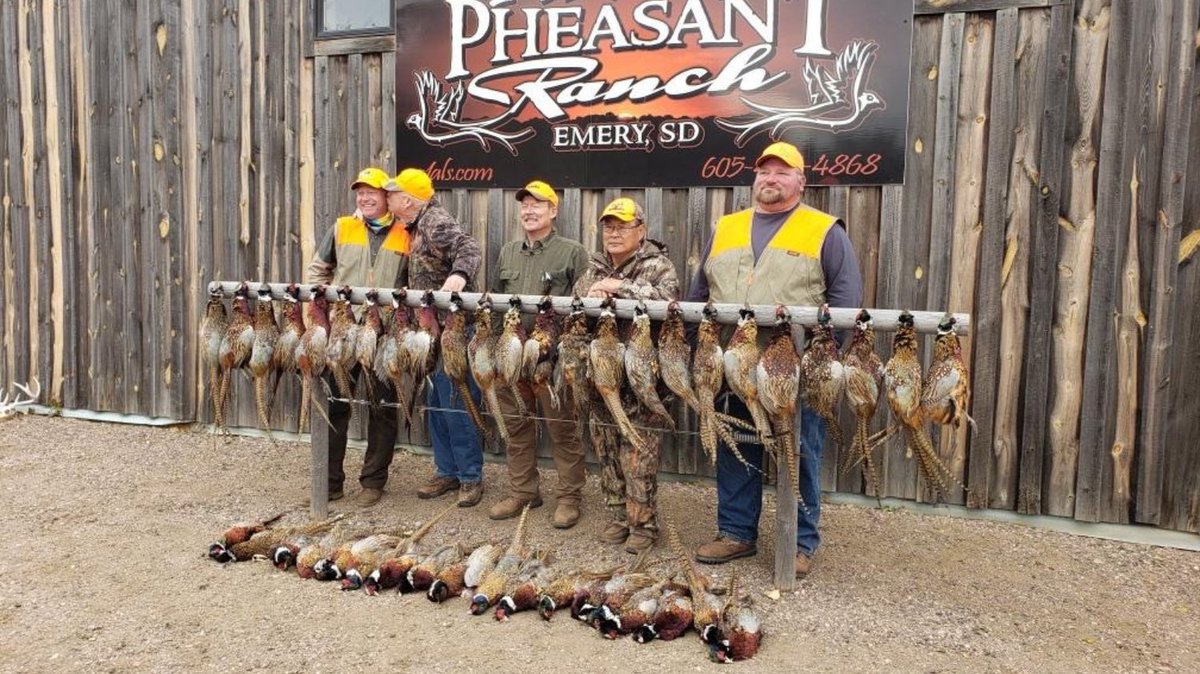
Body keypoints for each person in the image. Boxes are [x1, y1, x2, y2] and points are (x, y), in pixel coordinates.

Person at [688, 141, 863, 578]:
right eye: (764, 171)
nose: (771, 178)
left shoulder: (824, 230)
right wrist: (697, 350)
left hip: (795, 367)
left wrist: (826, 361)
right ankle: (736, 532)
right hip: (734, 363)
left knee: (800, 452)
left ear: (801, 181)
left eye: (782, 172)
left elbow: (846, 300)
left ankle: (800, 542)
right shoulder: (727, 227)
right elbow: (699, 291)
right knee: (738, 447)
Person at [573, 197, 679, 553]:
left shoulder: (659, 266)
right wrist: (587, 297)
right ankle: (618, 516)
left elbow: (668, 303)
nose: (614, 233)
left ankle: (644, 526)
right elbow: (574, 311)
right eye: (608, 226)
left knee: (638, 456)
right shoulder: (592, 267)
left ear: (641, 231)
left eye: (622, 226)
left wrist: (620, 289)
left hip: (641, 382)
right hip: (602, 380)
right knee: (605, 450)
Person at [488, 180, 591, 529]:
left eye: (538, 204)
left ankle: (569, 497)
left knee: (562, 429)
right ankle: (523, 492)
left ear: (553, 210)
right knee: (516, 426)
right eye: (525, 205)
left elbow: (583, 309)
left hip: (552, 360)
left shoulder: (572, 252)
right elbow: (497, 302)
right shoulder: (508, 252)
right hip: (512, 357)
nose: (529, 210)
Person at [306, 167, 409, 508]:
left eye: (372, 192)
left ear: (387, 198)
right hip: (343, 327)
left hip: (386, 330)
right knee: (334, 403)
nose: (364, 198)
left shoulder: (406, 233)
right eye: (360, 192)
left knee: (383, 407)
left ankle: (373, 482)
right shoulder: (342, 227)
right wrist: (320, 304)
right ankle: (330, 482)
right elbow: (318, 269)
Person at [384, 168, 488, 508]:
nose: (387, 198)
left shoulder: (436, 221)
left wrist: (459, 276)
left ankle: (470, 477)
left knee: (458, 403)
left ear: (408, 199)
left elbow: (469, 247)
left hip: (454, 331)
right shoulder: (414, 227)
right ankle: (447, 471)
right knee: (439, 406)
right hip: (431, 332)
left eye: (392, 194)